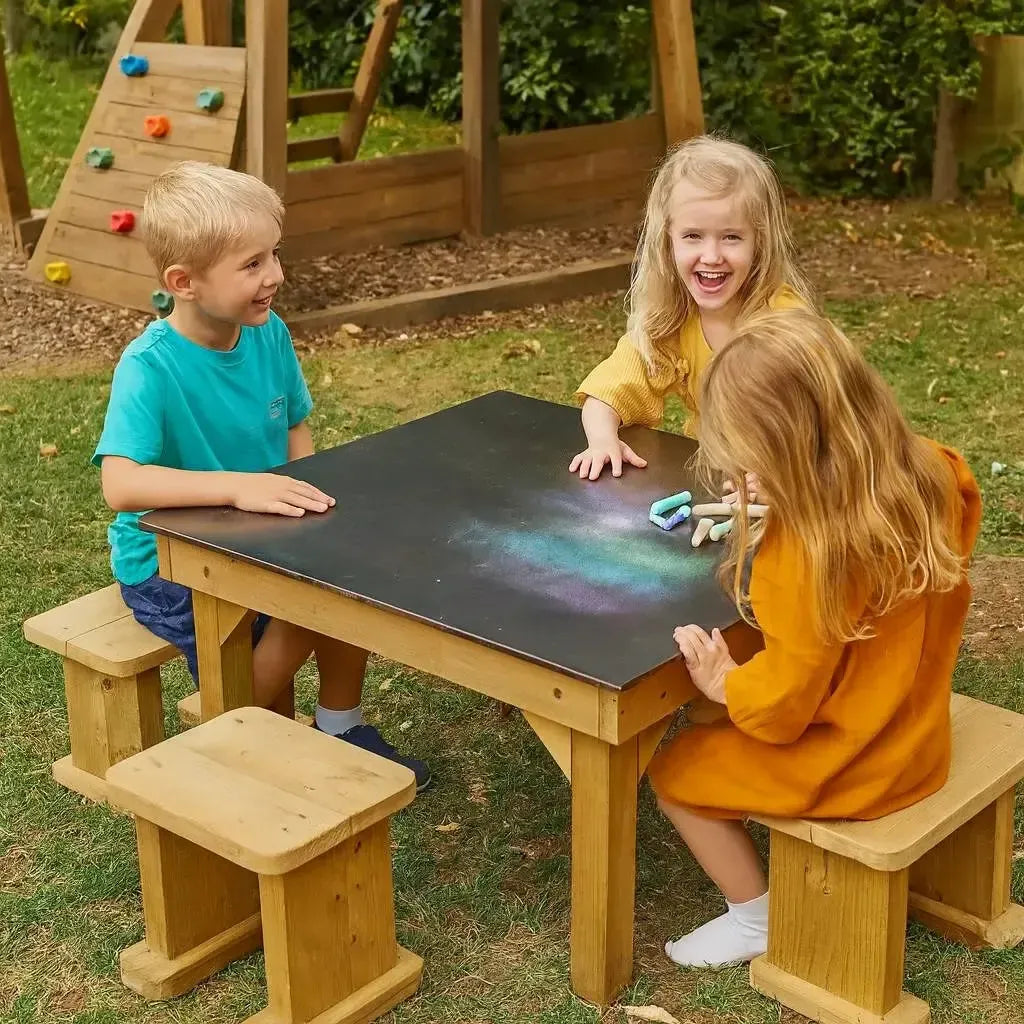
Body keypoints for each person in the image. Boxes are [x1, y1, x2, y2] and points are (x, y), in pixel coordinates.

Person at [648, 309, 980, 968]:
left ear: (788, 450)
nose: (738, 473)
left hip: (858, 763)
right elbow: (956, 514)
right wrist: (794, 498)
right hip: (919, 729)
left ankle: (756, 919)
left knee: (675, 773)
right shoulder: (927, 469)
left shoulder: (803, 559)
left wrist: (726, 684)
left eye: (750, 458)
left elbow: (782, 708)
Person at [92, 160, 430, 790]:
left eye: (275, 254)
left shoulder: (268, 333)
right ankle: (226, 729)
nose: (275, 274)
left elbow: (295, 424)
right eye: (251, 264)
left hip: (259, 531)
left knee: (348, 572)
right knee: (315, 604)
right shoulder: (149, 366)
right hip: (168, 562)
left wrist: (303, 504)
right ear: (183, 282)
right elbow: (122, 484)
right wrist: (239, 487)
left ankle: (339, 724)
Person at [570, 135, 814, 487]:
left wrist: (781, 479)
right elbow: (608, 390)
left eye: (731, 237)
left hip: (794, 486)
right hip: (713, 483)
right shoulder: (673, 323)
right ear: (667, 240)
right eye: (693, 236)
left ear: (758, 242)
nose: (711, 256)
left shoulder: (785, 324)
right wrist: (603, 441)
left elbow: (823, 422)